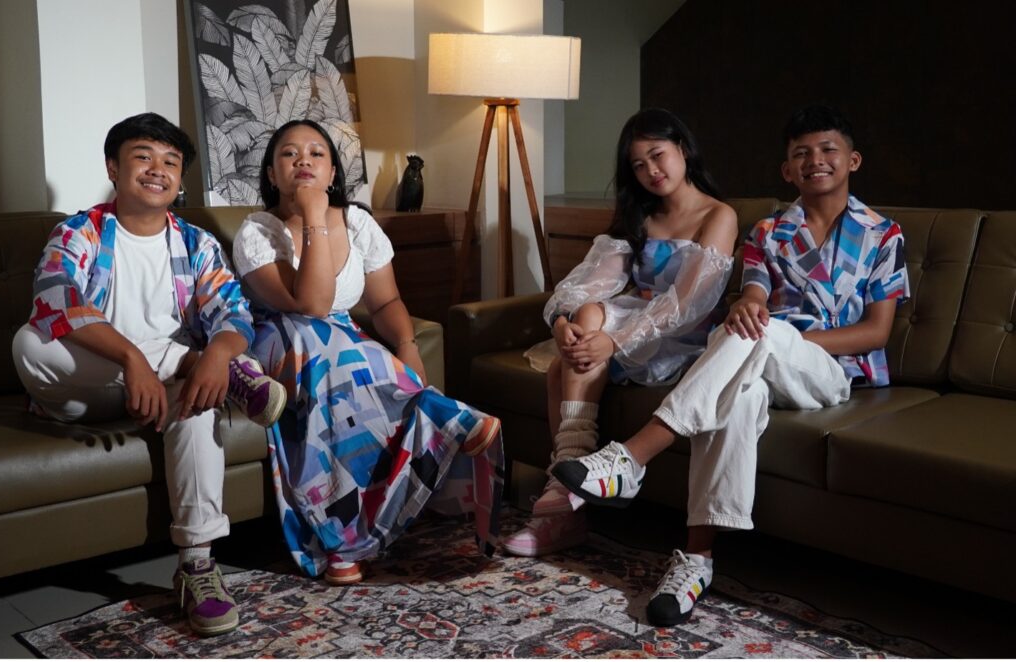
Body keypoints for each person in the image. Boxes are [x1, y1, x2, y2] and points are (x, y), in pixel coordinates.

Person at [552, 104, 910, 626]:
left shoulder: (884, 234)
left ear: (852, 160)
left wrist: (781, 334)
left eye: (827, 149)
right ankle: (696, 562)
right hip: (761, 362)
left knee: (760, 334)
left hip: (831, 371)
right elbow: (755, 295)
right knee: (736, 393)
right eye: (801, 153)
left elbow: (876, 332)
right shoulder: (767, 232)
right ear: (787, 169)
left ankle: (632, 457)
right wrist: (748, 305)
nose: (815, 160)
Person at [12, 112, 287, 637]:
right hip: (85, 389)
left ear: (180, 179)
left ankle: (198, 567)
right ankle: (192, 364)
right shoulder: (79, 232)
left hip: (166, 392)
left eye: (170, 162)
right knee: (29, 342)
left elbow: (233, 314)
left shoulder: (196, 243)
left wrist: (217, 355)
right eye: (143, 157)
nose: (157, 169)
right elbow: (55, 299)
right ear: (113, 169)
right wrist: (134, 360)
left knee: (199, 399)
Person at [231, 119, 504, 585]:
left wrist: (406, 345)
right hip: (282, 338)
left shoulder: (358, 223)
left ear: (333, 171)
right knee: (327, 348)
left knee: (354, 357)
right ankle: (343, 532)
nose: (303, 161)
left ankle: (354, 530)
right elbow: (311, 306)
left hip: (342, 340)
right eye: (289, 154)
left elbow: (385, 303)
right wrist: (314, 216)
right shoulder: (256, 231)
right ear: (272, 174)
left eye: (317, 153)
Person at [501, 108, 738, 556]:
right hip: (637, 323)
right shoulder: (641, 215)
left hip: (684, 333)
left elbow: (688, 303)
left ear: (683, 149)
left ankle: (563, 502)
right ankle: (570, 482)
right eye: (638, 165)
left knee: (560, 370)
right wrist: (562, 320)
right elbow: (593, 280)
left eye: (658, 155)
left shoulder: (718, 214)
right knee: (587, 312)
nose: (651, 171)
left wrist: (615, 340)